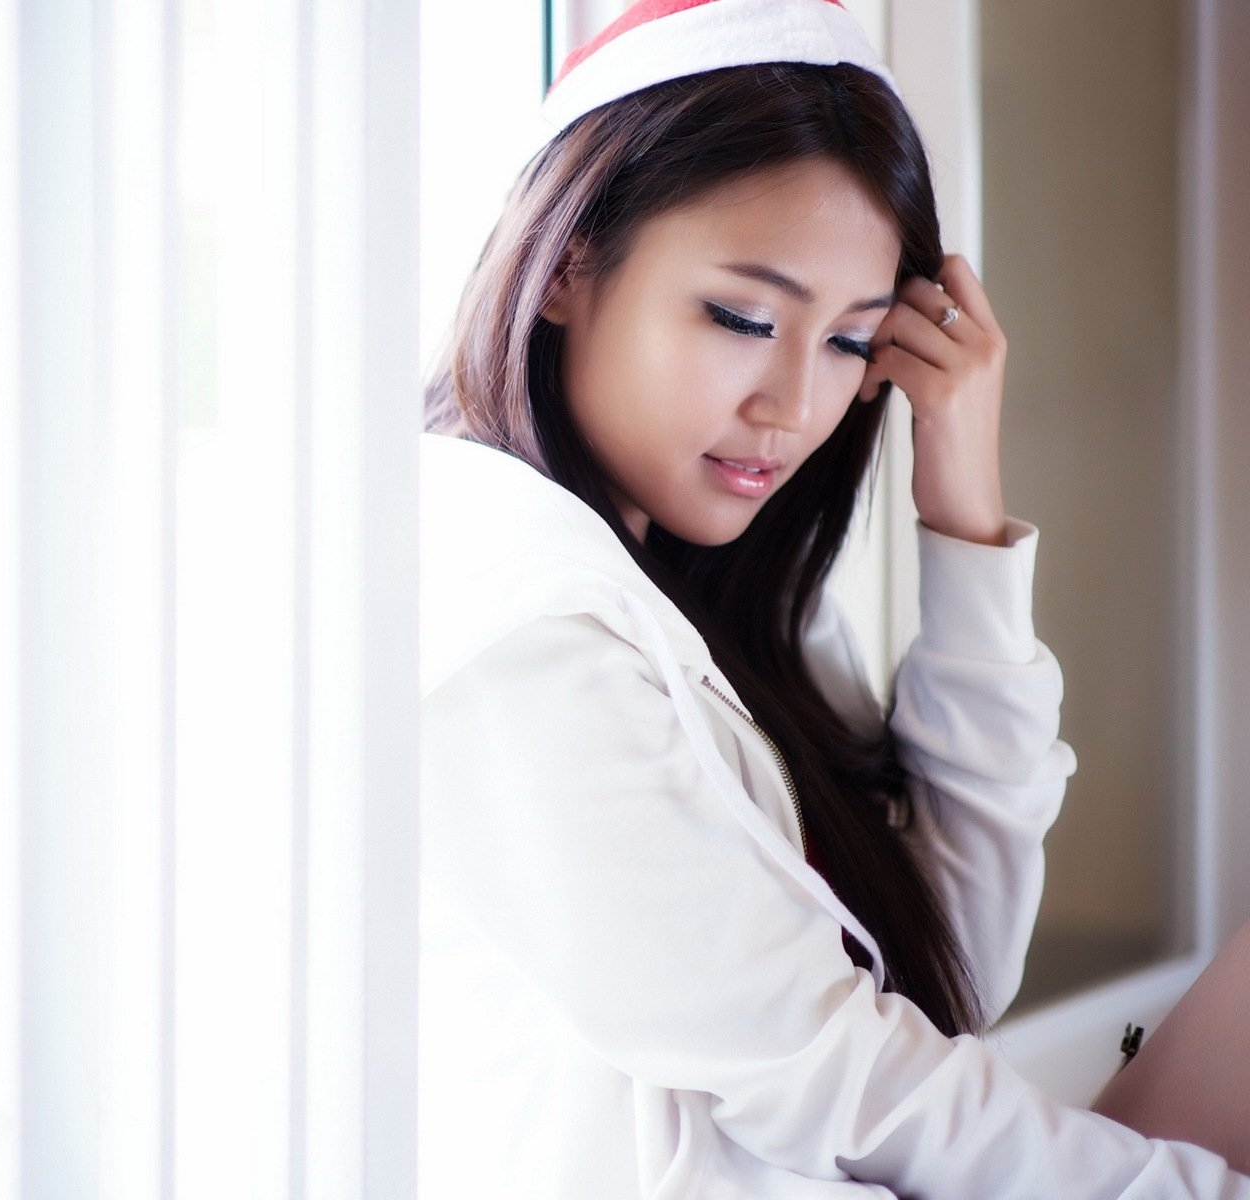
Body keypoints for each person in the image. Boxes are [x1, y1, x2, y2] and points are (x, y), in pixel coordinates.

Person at [416, 0, 1250, 1195]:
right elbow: (835, 1074)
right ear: (566, 265)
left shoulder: (738, 603)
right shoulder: (511, 602)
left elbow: (950, 965)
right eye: (744, 318)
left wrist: (964, 515)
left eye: (854, 343)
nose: (794, 407)